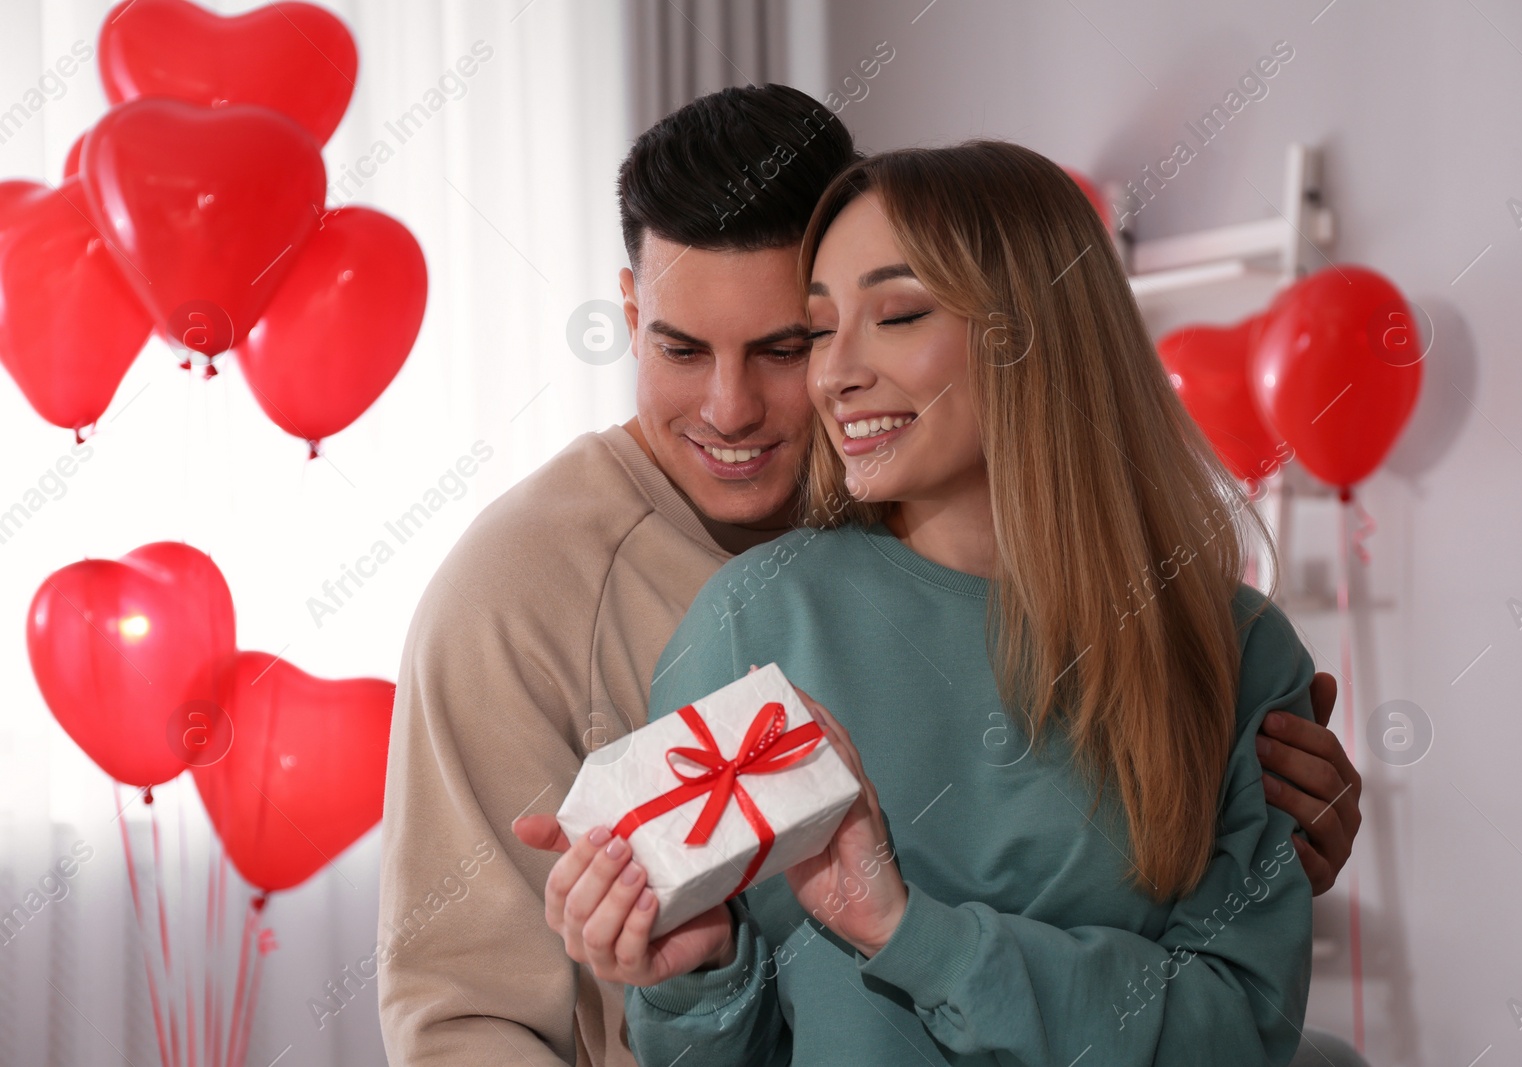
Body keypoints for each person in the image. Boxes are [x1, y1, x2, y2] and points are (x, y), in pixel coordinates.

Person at [378, 85, 1362, 1066]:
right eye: (681, 347)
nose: (735, 406)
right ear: (631, 314)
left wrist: (1259, 826)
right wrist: (695, 971)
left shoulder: (1216, 637)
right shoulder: (572, 599)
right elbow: (467, 1012)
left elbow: (1239, 1015)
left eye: (787, 344)